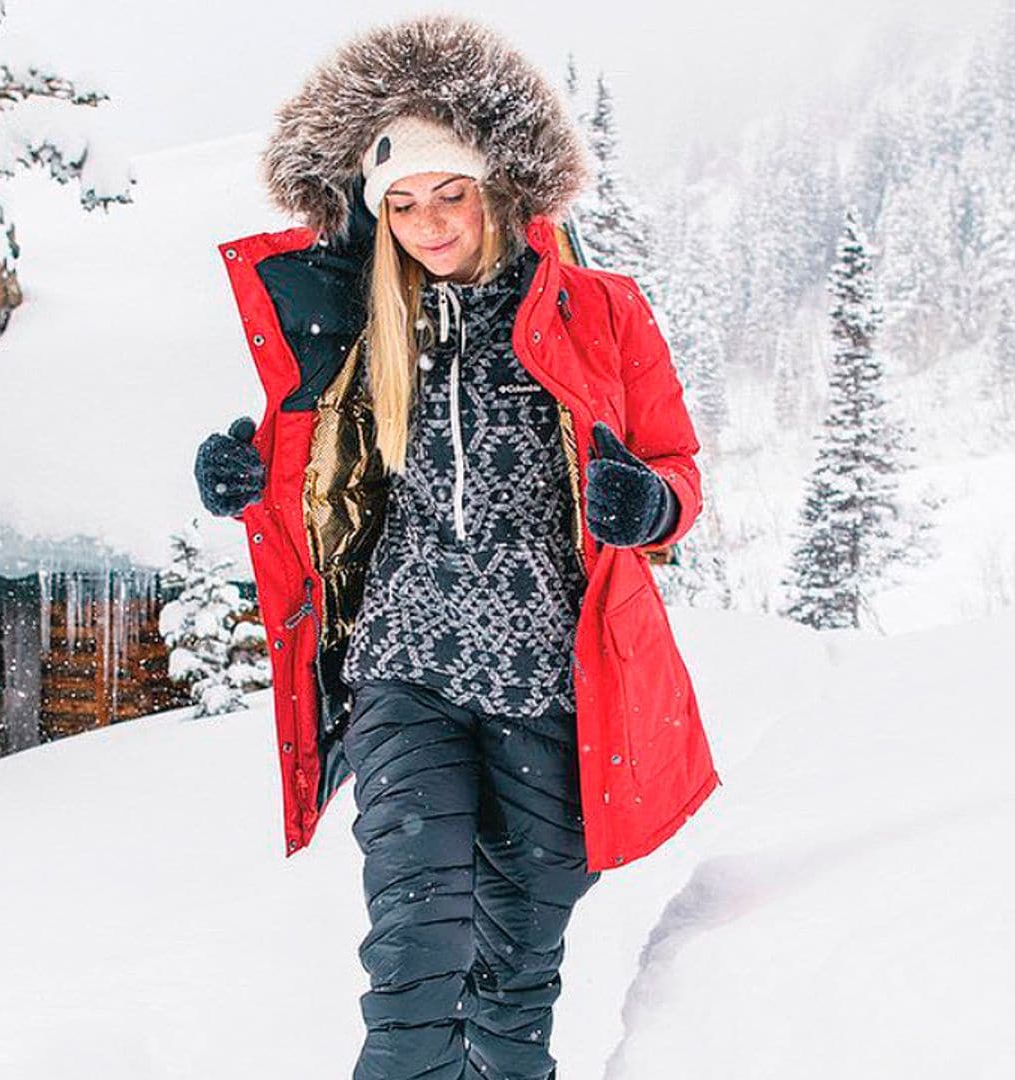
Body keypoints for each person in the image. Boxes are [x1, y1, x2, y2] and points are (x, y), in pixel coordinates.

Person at [196, 14, 720, 1080]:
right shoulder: (359, 323)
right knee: (415, 949)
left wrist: (646, 506)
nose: (430, 223)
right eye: (403, 203)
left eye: (451, 193)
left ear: (499, 187)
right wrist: (243, 485)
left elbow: (677, 473)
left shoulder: (603, 312)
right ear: (375, 213)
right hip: (407, 667)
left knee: (514, 988)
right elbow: (305, 465)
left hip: (550, 684)